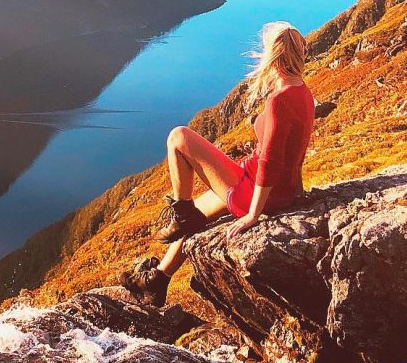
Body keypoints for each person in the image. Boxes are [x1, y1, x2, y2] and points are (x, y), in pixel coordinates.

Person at [121, 21, 315, 307]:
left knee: (179, 137)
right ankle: (157, 280)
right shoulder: (303, 92)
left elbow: (271, 163)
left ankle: (181, 210)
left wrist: (252, 215)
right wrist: (294, 192)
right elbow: (293, 154)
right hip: (274, 188)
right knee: (200, 213)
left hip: (257, 192)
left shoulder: (279, 101)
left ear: (272, 56)